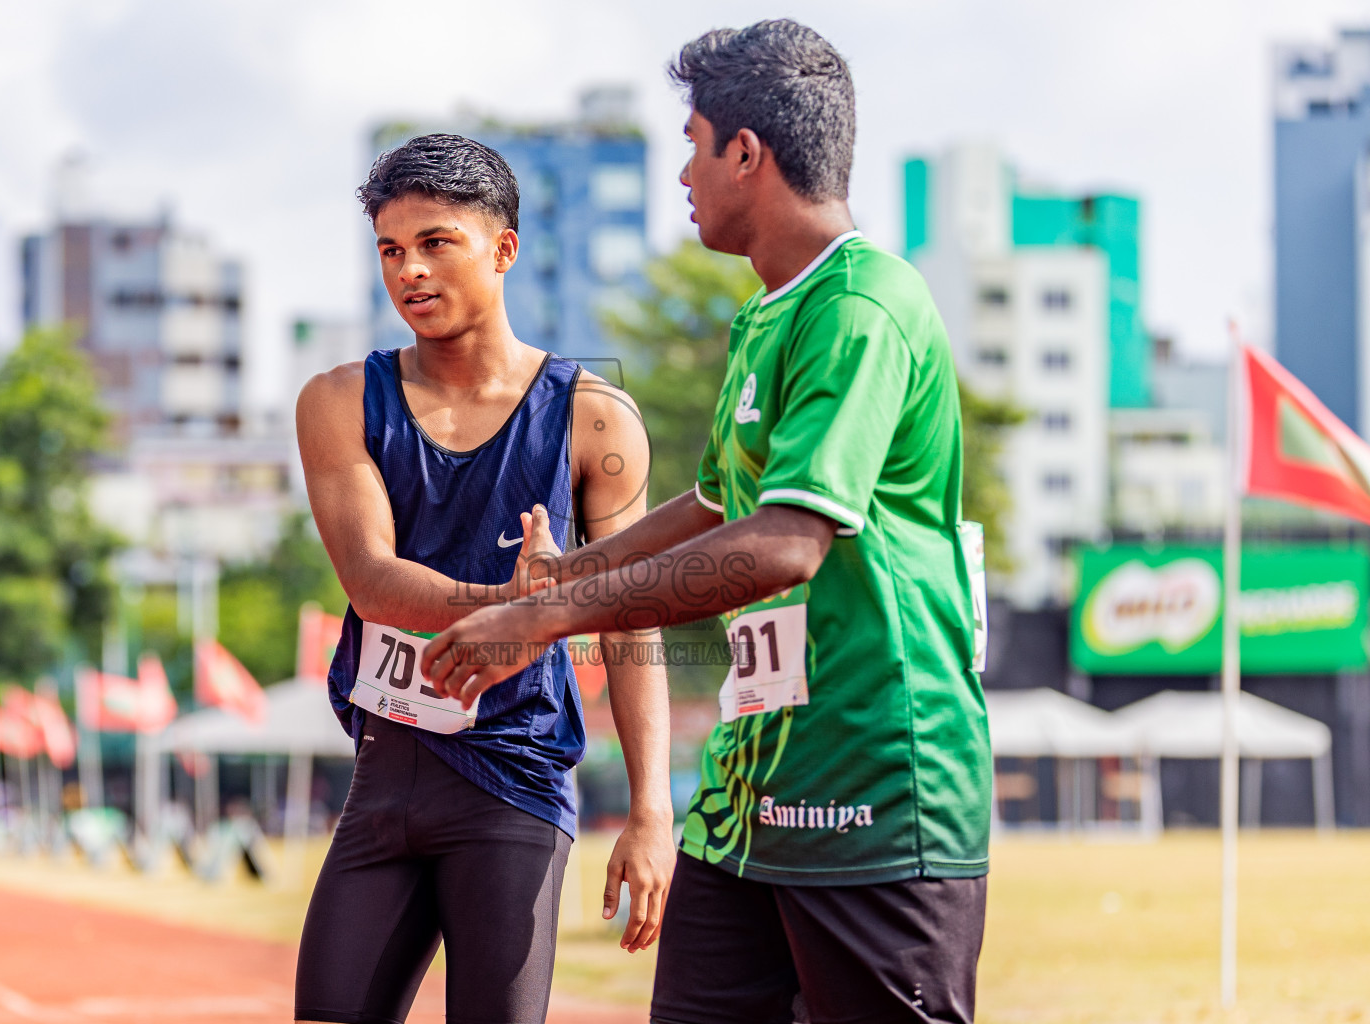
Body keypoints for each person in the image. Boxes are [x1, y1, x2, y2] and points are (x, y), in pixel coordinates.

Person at [422, 20, 992, 1024]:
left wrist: (553, 621)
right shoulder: (767, 315)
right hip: (749, 801)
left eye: (691, 142)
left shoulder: (863, 307)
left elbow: (783, 541)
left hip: (873, 790)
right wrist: (563, 577)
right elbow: (718, 503)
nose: (682, 172)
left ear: (745, 152)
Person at [293, 134, 675, 1024]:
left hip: (514, 786)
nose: (409, 272)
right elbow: (372, 582)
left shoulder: (593, 417)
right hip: (385, 781)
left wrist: (652, 811)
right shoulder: (339, 400)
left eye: (436, 243)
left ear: (503, 250)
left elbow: (629, 621)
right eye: (390, 250)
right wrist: (525, 602)